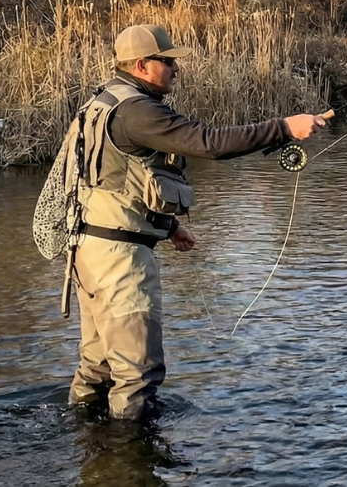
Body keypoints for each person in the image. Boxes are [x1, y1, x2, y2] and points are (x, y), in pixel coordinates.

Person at [66, 24, 326, 421]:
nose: (175, 68)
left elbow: (111, 180)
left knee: (98, 368)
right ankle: (130, 463)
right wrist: (285, 128)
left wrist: (169, 228)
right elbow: (209, 143)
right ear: (142, 65)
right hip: (119, 260)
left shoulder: (104, 101)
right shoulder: (138, 111)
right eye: (167, 61)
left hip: (90, 249)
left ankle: (84, 441)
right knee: (137, 374)